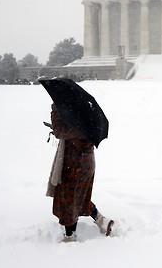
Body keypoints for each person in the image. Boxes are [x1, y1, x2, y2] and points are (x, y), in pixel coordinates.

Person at [46, 103, 114, 242]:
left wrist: (55, 112)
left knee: (69, 199)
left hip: (76, 165)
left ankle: (70, 236)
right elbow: (67, 133)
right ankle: (103, 222)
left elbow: (61, 131)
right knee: (80, 197)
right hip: (84, 163)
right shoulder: (86, 120)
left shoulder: (79, 122)